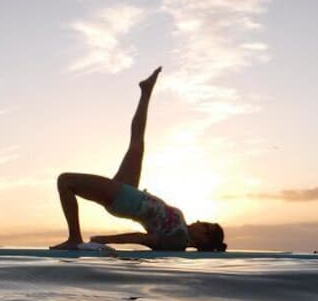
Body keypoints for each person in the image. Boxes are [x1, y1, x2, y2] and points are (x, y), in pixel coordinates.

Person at [51, 67, 226, 252]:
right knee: (137, 142)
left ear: (204, 239)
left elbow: (143, 239)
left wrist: (104, 240)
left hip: (124, 200)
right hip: (132, 195)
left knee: (65, 181)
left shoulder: (177, 240)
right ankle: (146, 91)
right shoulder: (181, 231)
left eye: (205, 225)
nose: (199, 221)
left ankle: (74, 238)